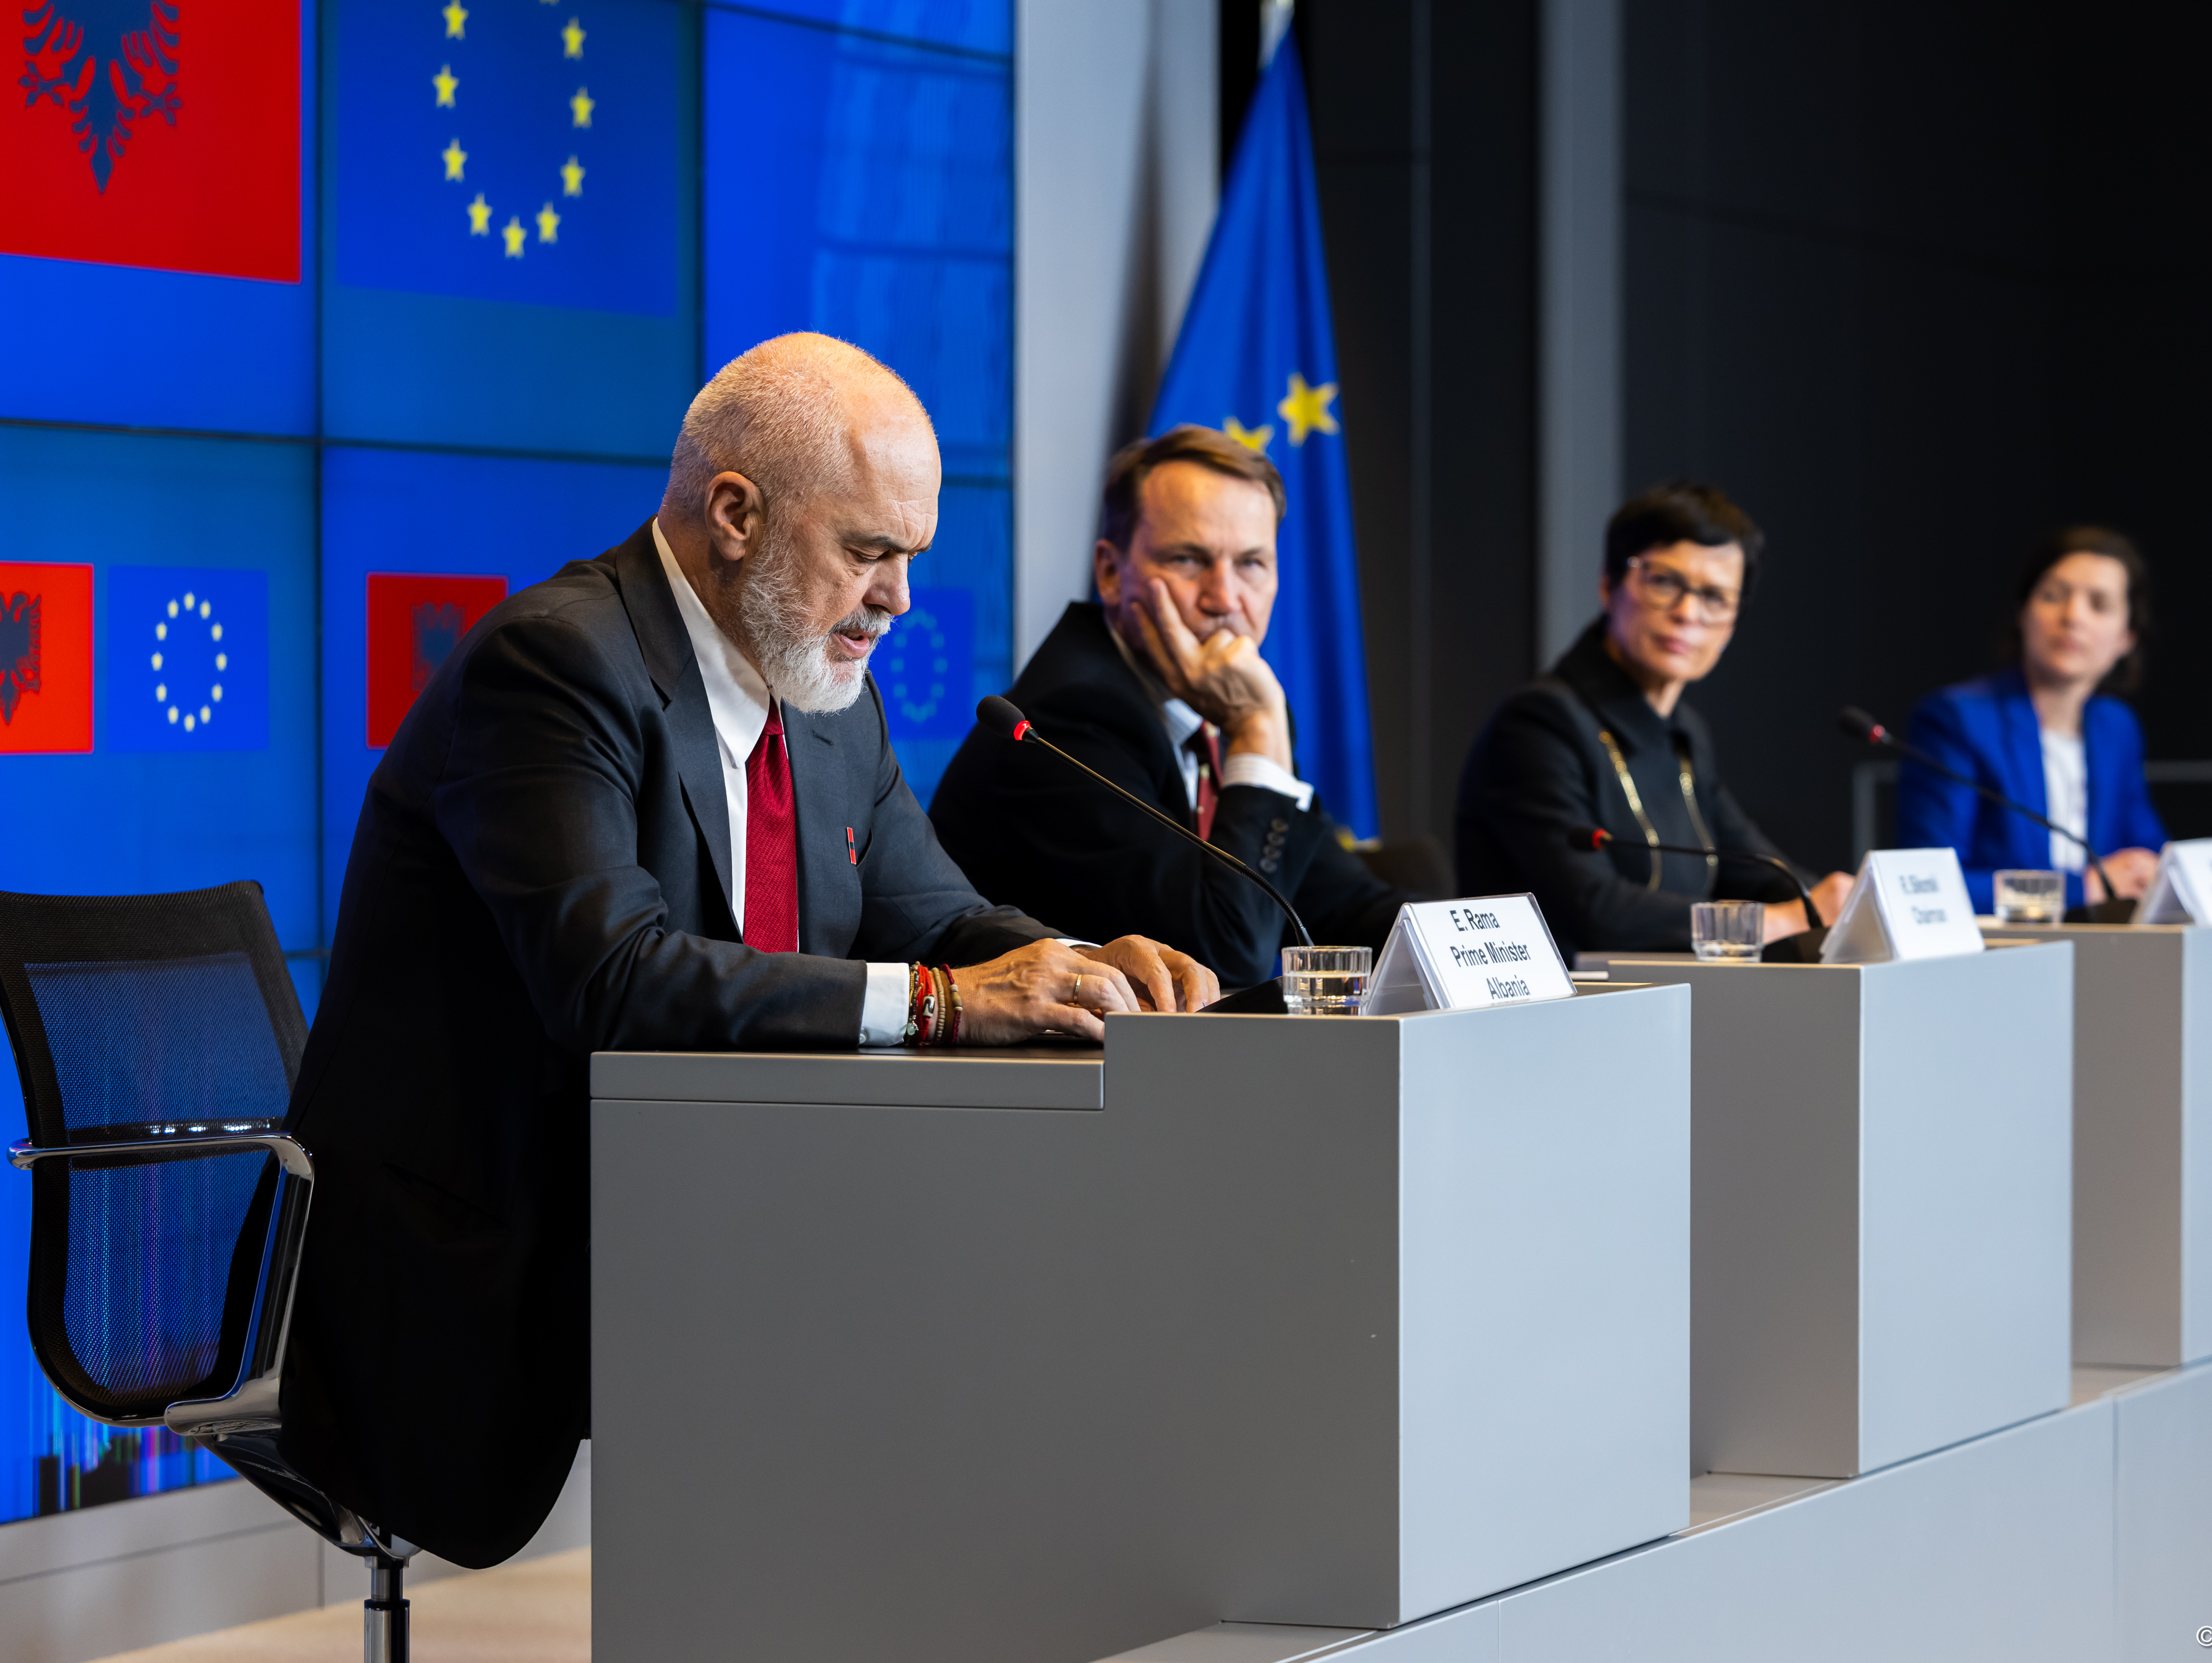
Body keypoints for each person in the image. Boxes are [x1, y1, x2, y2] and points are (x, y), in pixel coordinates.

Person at [277, 334, 1215, 1570]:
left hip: (715, 1213)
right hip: (490, 1251)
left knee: (971, 1318)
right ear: (734, 514)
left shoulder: (826, 695)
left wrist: (1082, 966)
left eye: (911, 557)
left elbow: (939, 917)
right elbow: (613, 981)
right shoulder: (554, 663)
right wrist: (948, 1004)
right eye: (869, 551)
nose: (898, 599)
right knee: (873, 1355)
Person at [929, 426, 1405, 989]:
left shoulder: (1220, 706)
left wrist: (1469, 945)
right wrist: (1258, 730)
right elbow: (1224, 958)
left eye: (1251, 563)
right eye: (1188, 559)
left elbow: (1342, 904)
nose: (1225, 599)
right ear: (1111, 573)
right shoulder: (1069, 717)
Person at [1455, 481, 1852, 964]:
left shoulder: (1684, 732)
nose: (1688, 613)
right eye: (1664, 582)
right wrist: (1785, 920)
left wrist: (1840, 906)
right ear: (1609, 584)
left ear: (1732, 623)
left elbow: (1760, 869)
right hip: (1560, 1000)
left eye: (1715, 597)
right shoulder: (1539, 724)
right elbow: (1595, 910)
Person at [1894, 526, 2166, 911]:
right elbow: (1927, 885)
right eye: (2053, 596)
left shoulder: (2116, 728)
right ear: (2023, 612)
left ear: (2128, 637)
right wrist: (2081, 889)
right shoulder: (1957, 720)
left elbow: (2148, 852)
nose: (2073, 617)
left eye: (2099, 604)